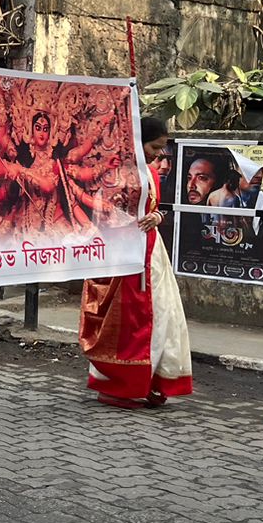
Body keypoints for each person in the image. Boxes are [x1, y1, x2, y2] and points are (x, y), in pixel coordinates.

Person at [78, 116, 194, 409]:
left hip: (152, 255)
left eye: (162, 149)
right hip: (122, 256)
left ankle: (152, 380)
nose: (159, 154)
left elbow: (155, 210)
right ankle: (121, 385)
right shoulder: (113, 172)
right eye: (155, 147)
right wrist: (128, 223)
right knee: (129, 321)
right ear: (140, 142)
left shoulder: (152, 174)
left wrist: (156, 217)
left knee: (162, 317)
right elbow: (101, 212)